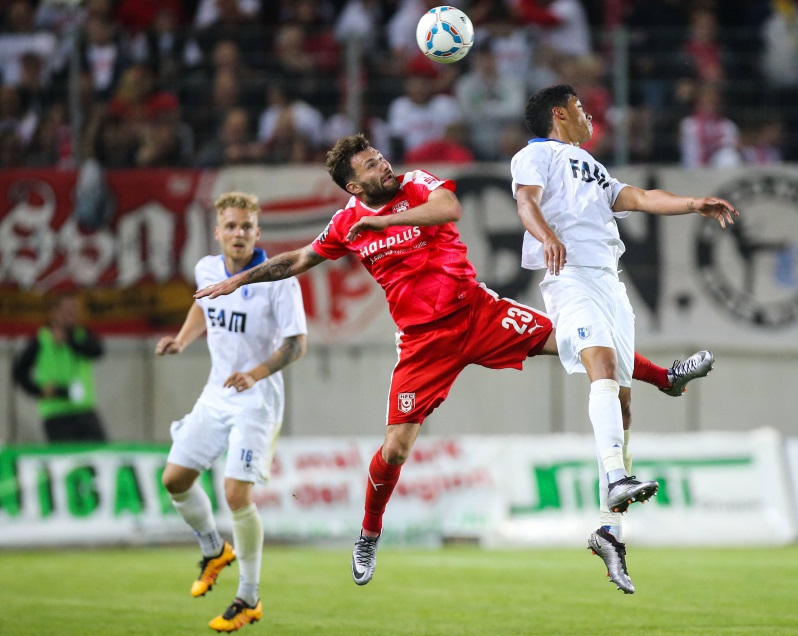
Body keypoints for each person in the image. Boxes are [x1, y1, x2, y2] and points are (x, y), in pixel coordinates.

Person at [193, 134, 714, 593]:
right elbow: (299, 260)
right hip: (423, 344)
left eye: (379, 157)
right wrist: (239, 280)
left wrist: (390, 217)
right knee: (395, 449)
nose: (383, 166)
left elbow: (449, 210)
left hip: (477, 311)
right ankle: (369, 534)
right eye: (370, 166)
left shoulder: (415, 184)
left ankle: (664, 378)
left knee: (584, 339)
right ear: (353, 187)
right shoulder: (347, 223)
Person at [510, 84, 738, 594]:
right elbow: (526, 202)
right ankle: (615, 479)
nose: (591, 116)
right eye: (583, 108)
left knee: (624, 406)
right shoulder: (534, 155)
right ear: (559, 113)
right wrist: (547, 236)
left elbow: (636, 197)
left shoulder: (590, 166)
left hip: (610, 282)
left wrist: (691, 202)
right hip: (569, 275)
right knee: (602, 368)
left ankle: (610, 532)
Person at [156, 191, 307, 633]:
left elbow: (297, 345)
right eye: (231, 226)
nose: (239, 233)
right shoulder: (206, 269)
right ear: (218, 231)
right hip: (216, 394)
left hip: (257, 400)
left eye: (247, 226)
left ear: (257, 233)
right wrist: (183, 340)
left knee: (236, 495)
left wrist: (254, 374)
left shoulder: (278, 279)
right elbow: (204, 304)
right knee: (175, 480)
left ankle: (249, 597)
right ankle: (213, 549)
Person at [12, 293, 108, 442]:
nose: (72, 315)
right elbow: (19, 372)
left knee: (100, 455)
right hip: (56, 413)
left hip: (84, 409)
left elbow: (97, 351)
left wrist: (69, 341)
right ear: (54, 312)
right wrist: (39, 390)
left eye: (75, 311)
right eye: (67, 311)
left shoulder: (81, 335)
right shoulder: (41, 340)